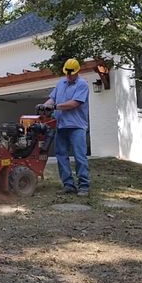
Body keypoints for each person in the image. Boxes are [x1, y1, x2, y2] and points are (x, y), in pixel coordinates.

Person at [44, 58, 90, 195]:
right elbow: (52, 98)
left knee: (79, 156)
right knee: (61, 155)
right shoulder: (60, 83)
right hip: (61, 125)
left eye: (71, 73)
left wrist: (55, 106)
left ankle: (84, 186)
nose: (69, 75)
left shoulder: (82, 84)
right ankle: (68, 185)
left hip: (76, 126)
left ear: (77, 72)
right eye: (67, 73)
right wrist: (45, 105)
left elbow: (74, 103)